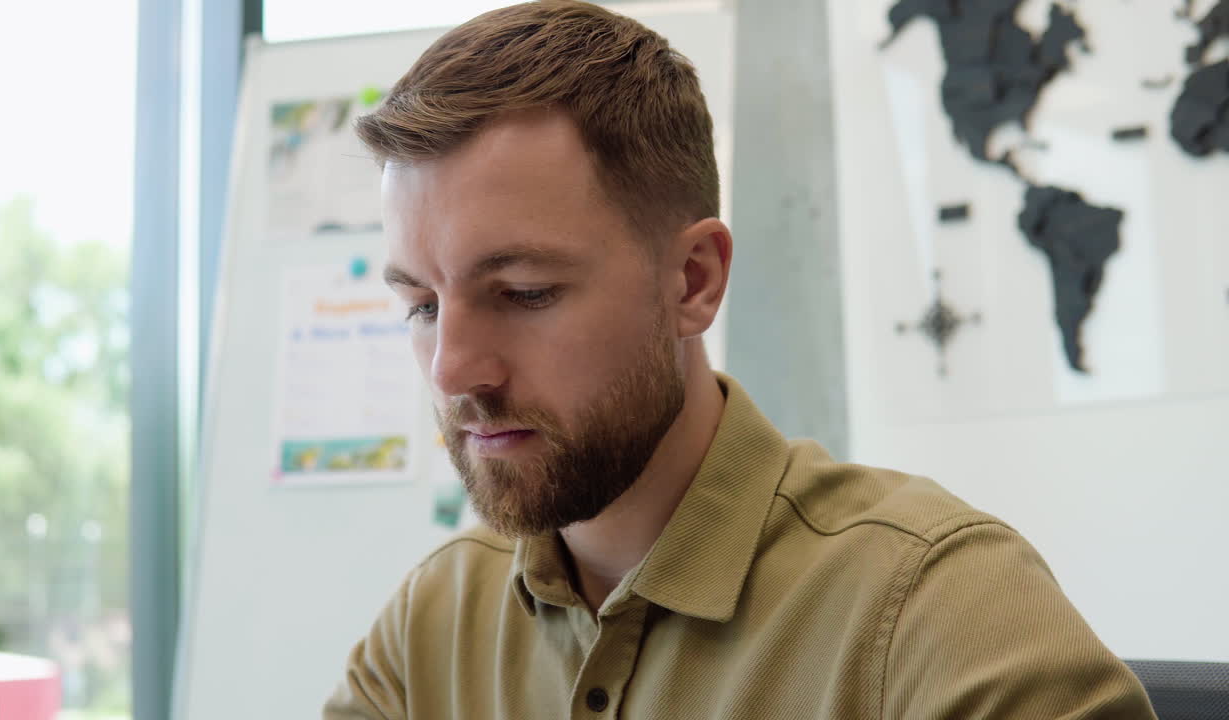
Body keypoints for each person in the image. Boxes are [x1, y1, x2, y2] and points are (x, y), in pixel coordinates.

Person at [323, 2, 1156, 717]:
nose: (451, 370)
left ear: (693, 280)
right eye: (422, 306)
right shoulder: (431, 627)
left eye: (525, 292)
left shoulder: (932, 607)